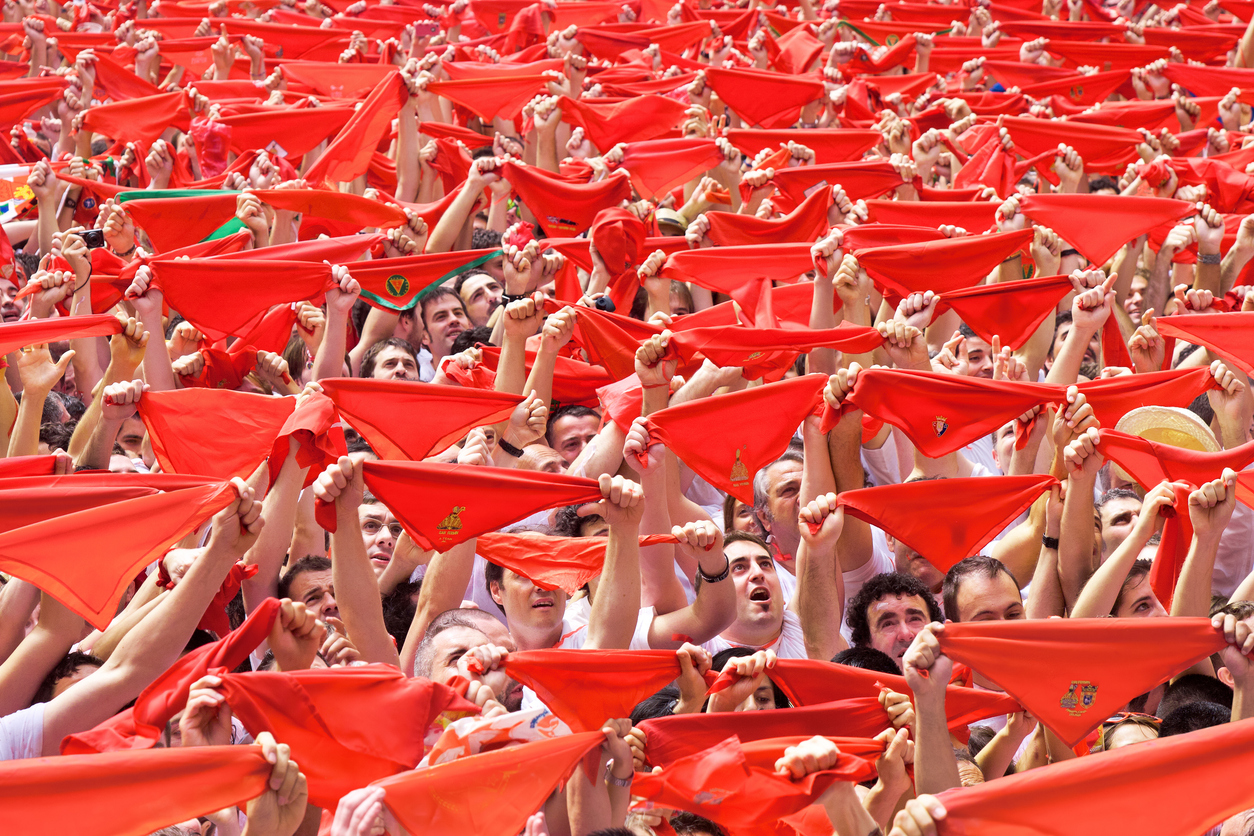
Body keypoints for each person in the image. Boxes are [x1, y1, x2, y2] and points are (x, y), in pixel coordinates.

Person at [845, 572, 944, 669]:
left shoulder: (958, 681)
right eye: (888, 624)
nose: (905, 634)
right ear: (866, 644)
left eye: (915, 619)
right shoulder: (849, 685)